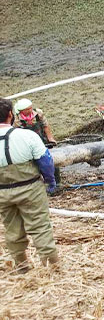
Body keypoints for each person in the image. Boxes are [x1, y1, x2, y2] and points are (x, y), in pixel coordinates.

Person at [0, 98, 59, 272]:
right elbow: (46, 161)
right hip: (30, 188)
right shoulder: (27, 136)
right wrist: (50, 180)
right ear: (11, 114)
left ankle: (22, 266)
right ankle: (52, 267)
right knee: (40, 226)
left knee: (12, 229)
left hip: (2, 192)